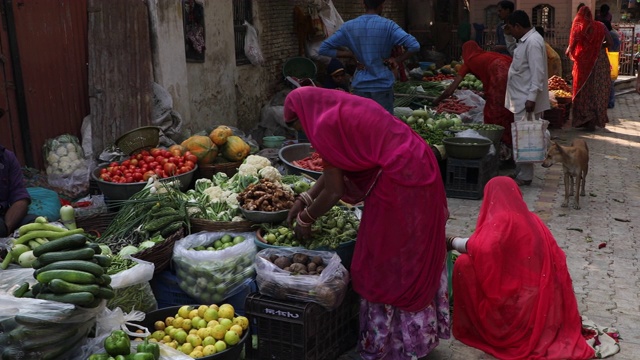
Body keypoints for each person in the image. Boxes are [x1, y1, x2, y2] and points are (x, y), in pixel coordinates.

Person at [283, 87, 450, 360]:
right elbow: (334, 164)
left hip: (400, 179)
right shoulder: (336, 108)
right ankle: (417, 339)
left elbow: (335, 190)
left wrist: (306, 218)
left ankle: (395, 343)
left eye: (298, 125)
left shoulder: (324, 124)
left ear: (302, 114)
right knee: (410, 250)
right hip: (416, 163)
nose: (303, 133)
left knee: (382, 256)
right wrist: (306, 197)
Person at [446, 176, 597, 359]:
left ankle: (478, 325)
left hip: (520, 300)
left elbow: (481, 248)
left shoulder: (502, 221)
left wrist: (453, 241)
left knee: (464, 263)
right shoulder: (532, 218)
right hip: (539, 293)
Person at [318, 0, 420, 114]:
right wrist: (397, 60)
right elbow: (414, 45)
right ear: (382, 6)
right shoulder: (388, 25)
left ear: (364, 5)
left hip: (360, 85)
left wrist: (351, 54)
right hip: (382, 85)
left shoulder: (349, 27)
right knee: (383, 125)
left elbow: (323, 49)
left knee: (363, 125)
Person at [433, 41, 514, 147]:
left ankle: (498, 141)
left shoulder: (469, 61)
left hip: (500, 73)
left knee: (494, 109)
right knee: (509, 106)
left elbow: (450, 90)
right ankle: (510, 140)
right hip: (513, 70)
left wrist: (437, 100)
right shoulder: (486, 55)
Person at [504, 10, 550, 187]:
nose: (512, 32)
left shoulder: (533, 42)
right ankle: (521, 170)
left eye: (512, 29)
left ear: (518, 26)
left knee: (526, 137)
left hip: (526, 98)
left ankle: (525, 175)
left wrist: (531, 98)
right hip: (520, 97)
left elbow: (537, 73)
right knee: (522, 136)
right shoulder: (525, 41)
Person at [566, 5, 614, 131]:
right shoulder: (601, 26)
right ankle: (595, 119)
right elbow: (610, 43)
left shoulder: (578, 27)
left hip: (584, 64)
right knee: (598, 91)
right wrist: (597, 46)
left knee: (584, 91)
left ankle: (585, 120)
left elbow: (570, 48)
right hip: (601, 62)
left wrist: (581, 50)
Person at [0, 145, 33, 237]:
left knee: (37, 223)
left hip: (5, 216)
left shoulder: (7, 157)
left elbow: (20, 198)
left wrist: (7, 228)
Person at [603, 20, 621, 108]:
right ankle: (610, 101)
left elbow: (610, 47)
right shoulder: (614, 34)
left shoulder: (610, 35)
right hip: (613, 58)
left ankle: (610, 102)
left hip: (610, 59)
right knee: (611, 82)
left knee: (609, 82)